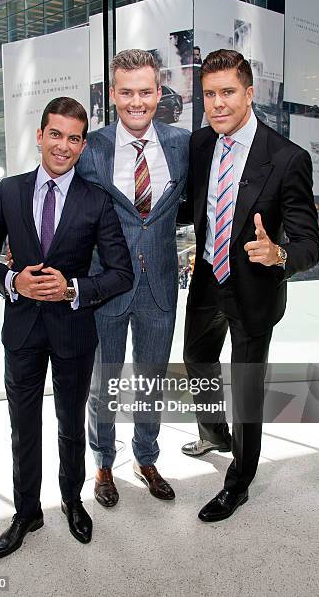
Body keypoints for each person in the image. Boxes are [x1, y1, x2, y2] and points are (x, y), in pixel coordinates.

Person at [0, 97, 133, 559]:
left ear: (82, 146)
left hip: (73, 332)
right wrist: (11, 280)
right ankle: (26, 513)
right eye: (56, 134)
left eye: (74, 138)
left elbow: (122, 273)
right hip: (21, 331)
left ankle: (71, 500)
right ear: (40, 135)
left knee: (69, 427)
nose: (64, 146)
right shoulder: (10, 191)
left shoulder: (96, 201)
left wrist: (72, 289)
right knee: (22, 428)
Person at [179, 49, 319, 521]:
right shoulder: (200, 145)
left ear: (250, 93)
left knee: (246, 387)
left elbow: (308, 243)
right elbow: (192, 207)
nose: (217, 104)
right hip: (206, 279)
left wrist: (278, 254)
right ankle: (215, 434)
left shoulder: (286, 158)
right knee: (197, 360)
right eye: (209, 95)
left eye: (228, 92)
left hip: (255, 289)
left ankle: (239, 480)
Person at [77, 49, 190, 507]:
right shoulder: (93, 148)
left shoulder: (182, 145)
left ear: (158, 92)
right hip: (106, 287)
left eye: (145, 92)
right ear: (113, 94)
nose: (137, 102)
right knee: (103, 383)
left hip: (161, 285)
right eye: (127, 92)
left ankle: (146, 458)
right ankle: (103, 463)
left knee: (150, 379)